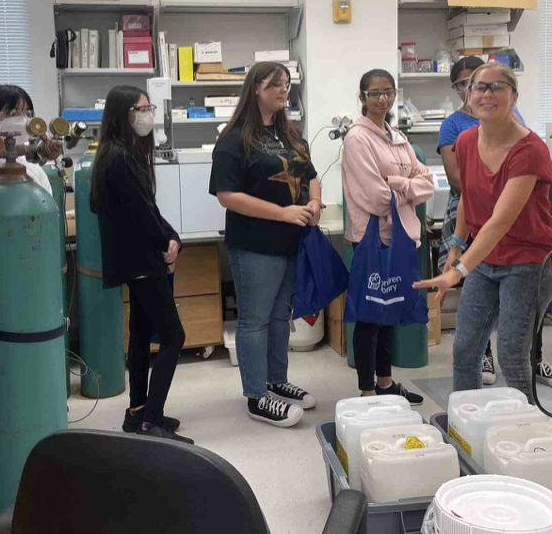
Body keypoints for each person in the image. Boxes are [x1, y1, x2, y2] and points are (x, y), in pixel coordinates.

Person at [415, 64, 552, 401]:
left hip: (528, 262)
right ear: (468, 96)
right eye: (479, 87)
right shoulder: (466, 141)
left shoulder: (530, 150)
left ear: (514, 96)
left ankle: (526, 431)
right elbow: (469, 195)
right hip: (486, 260)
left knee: (512, 354)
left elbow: (499, 222)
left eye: (497, 87)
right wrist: (455, 244)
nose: (486, 94)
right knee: (465, 351)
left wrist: (459, 270)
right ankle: (465, 424)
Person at [209, 62, 321, 428]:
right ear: (255, 88)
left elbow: (312, 175)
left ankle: (276, 381)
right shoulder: (234, 139)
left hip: (291, 242)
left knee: (279, 318)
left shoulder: (290, 134)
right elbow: (227, 196)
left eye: (287, 85)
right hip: (255, 244)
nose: (283, 90)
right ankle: (257, 396)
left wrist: (315, 204)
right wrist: (282, 212)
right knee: (255, 321)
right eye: (275, 84)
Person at [90, 85, 190, 443]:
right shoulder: (120, 158)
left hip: (135, 259)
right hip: (143, 260)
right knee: (173, 337)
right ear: (123, 115)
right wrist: (167, 244)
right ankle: (152, 420)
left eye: (149, 107)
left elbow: (148, 209)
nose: (147, 115)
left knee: (140, 335)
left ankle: (137, 412)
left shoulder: (118, 153)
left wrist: (172, 236)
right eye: (140, 109)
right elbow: (142, 215)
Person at [342, 69, 433, 403]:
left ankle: (385, 383)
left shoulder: (397, 136)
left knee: (390, 311)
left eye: (388, 92)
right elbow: (376, 198)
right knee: (370, 315)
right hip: (372, 238)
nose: (382, 99)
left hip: (401, 236)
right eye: (375, 93)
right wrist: (407, 188)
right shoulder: (357, 139)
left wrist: (399, 184)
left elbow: (428, 182)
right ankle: (368, 391)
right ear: (362, 97)